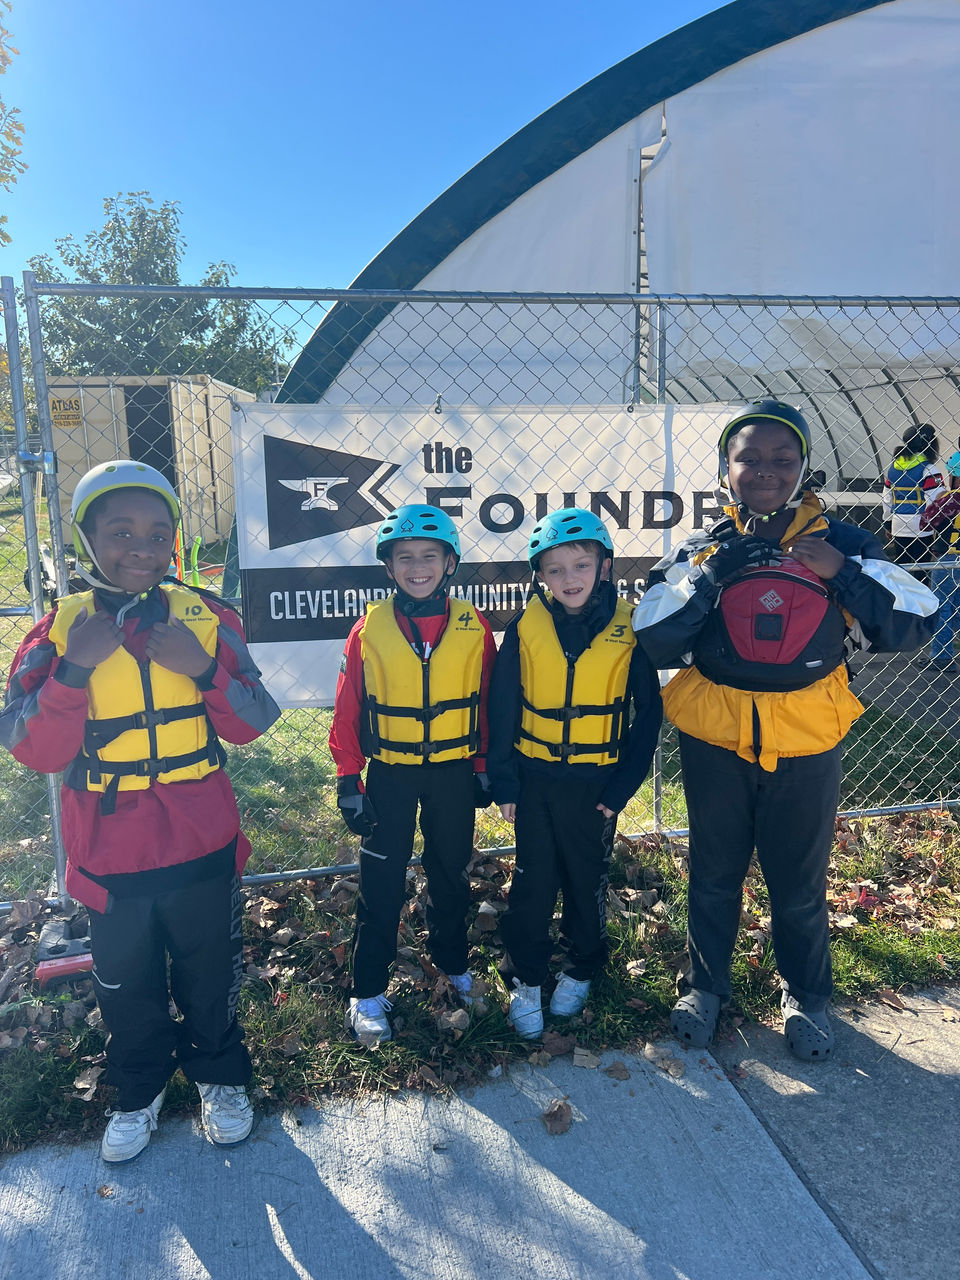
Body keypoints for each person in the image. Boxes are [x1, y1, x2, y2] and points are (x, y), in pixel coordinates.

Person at [633, 401, 937, 1061]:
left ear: (803, 468)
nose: (765, 471)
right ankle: (704, 988)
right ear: (725, 470)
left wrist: (842, 573)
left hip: (805, 739)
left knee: (797, 882)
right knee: (714, 871)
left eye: (781, 458)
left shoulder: (848, 542)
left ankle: (806, 997)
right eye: (750, 458)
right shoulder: (703, 547)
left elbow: (917, 620)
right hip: (715, 739)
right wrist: (710, 578)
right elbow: (652, 638)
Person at [0, 460, 281, 1162]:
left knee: (209, 972)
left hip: (201, 838)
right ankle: (139, 1087)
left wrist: (203, 668)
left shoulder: (206, 618)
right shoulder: (57, 633)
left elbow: (253, 720)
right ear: (87, 539)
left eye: (158, 534)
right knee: (124, 980)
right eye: (120, 531)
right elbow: (32, 748)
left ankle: (219, 1077)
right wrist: (74, 671)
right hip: (111, 847)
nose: (141, 548)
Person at [488, 509, 662, 1039]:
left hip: (596, 783)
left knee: (586, 879)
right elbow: (502, 705)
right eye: (555, 569)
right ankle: (526, 978)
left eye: (581, 565)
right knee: (533, 880)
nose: (569, 579)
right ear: (540, 576)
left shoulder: (629, 626)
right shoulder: (526, 624)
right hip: (536, 778)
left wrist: (621, 788)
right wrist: (505, 780)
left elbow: (648, 713)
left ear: (604, 565)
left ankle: (583, 964)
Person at [329, 504, 497, 1047]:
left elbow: (488, 703)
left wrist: (484, 766)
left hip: (452, 772)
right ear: (389, 567)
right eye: (406, 558)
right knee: (380, 883)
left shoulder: (475, 627)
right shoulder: (369, 629)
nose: (418, 567)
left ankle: (452, 964)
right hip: (391, 775)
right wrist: (348, 778)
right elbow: (348, 707)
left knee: (450, 872)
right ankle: (368, 989)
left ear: (450, 563)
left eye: (430, 556)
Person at [882, 422, 945, 572]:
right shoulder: (929, 469)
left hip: (898, 524)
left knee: (903, 568)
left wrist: (887, 523)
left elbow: (887, 499)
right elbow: (936, 500)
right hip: (922, 525)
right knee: (922, 570)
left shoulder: (893, 467)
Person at [919, 451, 960, 671]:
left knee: (942, 606)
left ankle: (942, 656)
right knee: (957, 607)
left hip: (948, 558)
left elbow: (925, 523)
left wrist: (938, 498)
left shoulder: (950, 499)